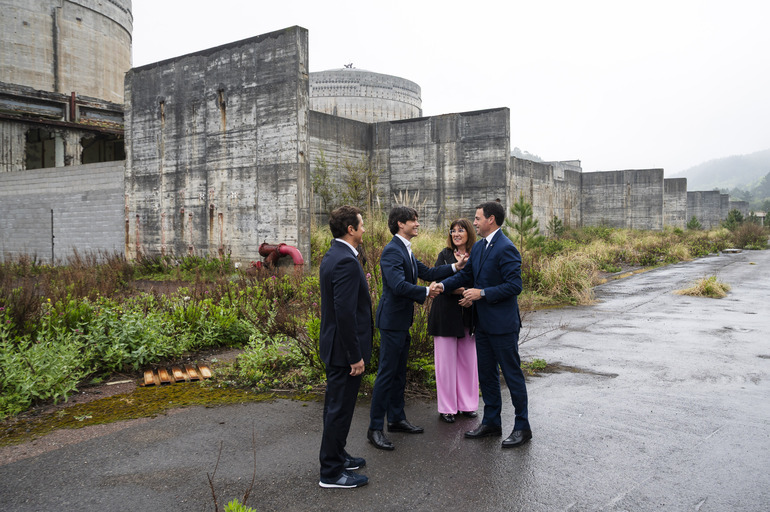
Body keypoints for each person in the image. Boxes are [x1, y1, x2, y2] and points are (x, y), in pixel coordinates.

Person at [367, 206, 467, 451]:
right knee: (386, 374)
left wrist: (455, 267)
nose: (418, 224)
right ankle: (375, 428)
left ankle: (398, 419)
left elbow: (428, 272)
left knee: (399, 372)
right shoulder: (392, 251)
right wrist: (426, 292)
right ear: (400, 224)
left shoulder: (406, 250)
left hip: (402, 321)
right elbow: (397, 285)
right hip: (391, 322)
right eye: (414, 220)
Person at [435, 201, 532, 448]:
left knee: (511, 375)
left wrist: (482, 294)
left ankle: (522, 427)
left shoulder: (507, 248)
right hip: (483, 325)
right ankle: (491, 423)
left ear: (491, 220)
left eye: (477, 219)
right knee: (487, 376)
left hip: (503, 325)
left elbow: (514, 286)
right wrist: (443, 285)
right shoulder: (478, 248)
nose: (474, 223)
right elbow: (466, 276)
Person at [318, 206, 373, 488]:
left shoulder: (335, 254)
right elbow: (345, 313)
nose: (364, 229)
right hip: (344, 352)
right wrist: (356, 357)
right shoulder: (345, 261)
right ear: (350, 229)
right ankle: (330, 472)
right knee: (339, 410)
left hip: (335, 348)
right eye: (361, 225)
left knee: (336, 408)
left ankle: (337, 455)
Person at [427, 218, 479, 423]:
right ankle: (447, 408)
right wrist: (462, 290)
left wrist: (471, 296)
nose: (456, 234)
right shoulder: (445, 255)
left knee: (468, 361)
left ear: (469, 233)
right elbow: (438, 282)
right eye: (453, 230)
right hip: (445, 314)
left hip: (468, 312)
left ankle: (467, 405)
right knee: (445, 364)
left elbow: (481, 280)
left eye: (461, 230)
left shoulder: (477, 253)